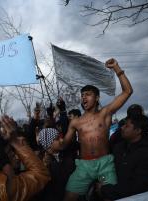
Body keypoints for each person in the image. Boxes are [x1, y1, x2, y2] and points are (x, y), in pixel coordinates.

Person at [51, 58, 133, 201]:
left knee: (110, 196)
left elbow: (127, 91)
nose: (84, 97)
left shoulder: (105, 113)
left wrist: (117, 69)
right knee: (68, 198)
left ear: (97, 97)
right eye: (82, 95)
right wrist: (58, 145)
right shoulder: (75, 122)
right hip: (83, 166)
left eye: (88, 94)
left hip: (105, 164)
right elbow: (64, 143)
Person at [99, 114, 148, 200]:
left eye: (126, 126)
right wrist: (102, 181)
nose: (122, 128)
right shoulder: (118, 148)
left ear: (138, 130)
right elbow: (108, 169)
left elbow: (137, 189)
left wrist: (104, 189)